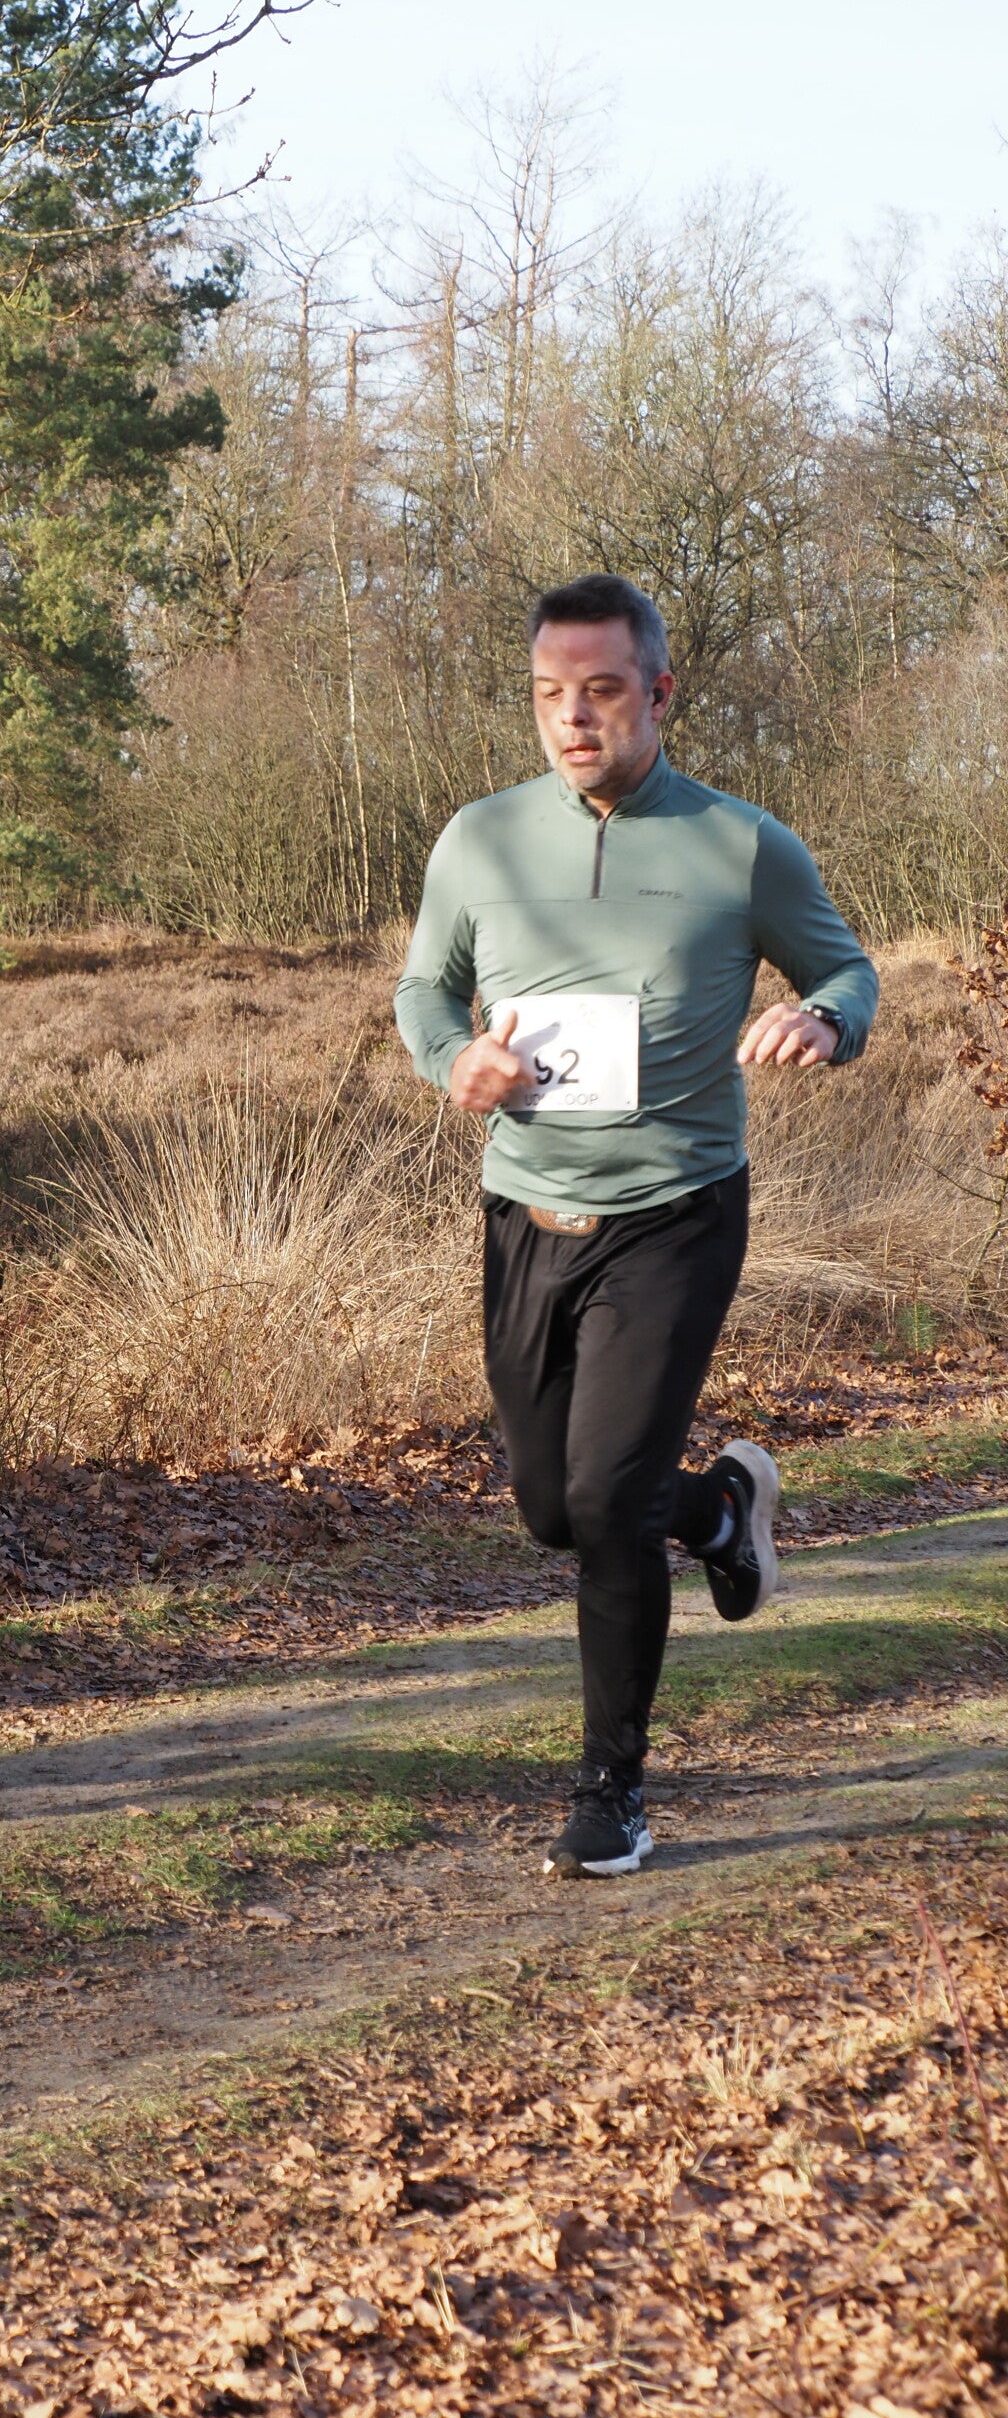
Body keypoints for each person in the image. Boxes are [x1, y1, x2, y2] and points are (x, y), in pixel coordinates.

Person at [395, 573, 877, 1880]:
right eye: (550, 694)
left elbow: (845, 967)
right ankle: (718, 1510)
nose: (574, 717)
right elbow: (425, 991)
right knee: (553, 1508)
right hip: (525, 1211)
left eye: (602, 690)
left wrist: (821, 1018)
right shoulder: (481, 840)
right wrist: (453, 1059)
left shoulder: (740, 845)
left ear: (659, 692)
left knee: (608, 1506)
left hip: (676, 1213)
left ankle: (612, 1791)